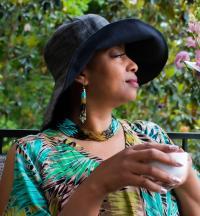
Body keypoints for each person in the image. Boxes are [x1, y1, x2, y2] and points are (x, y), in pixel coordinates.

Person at [0, 14, 199, 216]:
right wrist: (96, 185)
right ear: (82, 74)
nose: (134, 65)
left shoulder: (150, 135)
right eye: (117, 55)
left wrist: (186, 174)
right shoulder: (33, 154)